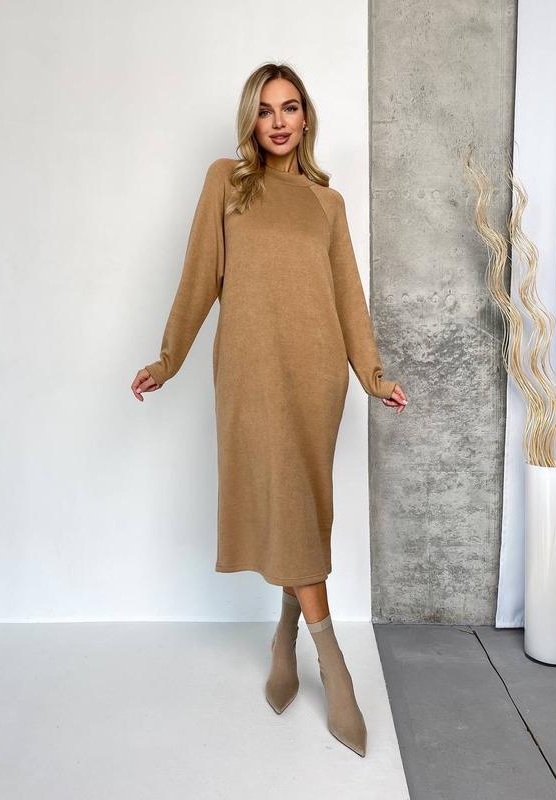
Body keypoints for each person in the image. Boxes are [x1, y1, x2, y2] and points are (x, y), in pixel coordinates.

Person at [131, 62, 408, 758]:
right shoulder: (226, 181)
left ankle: (286, 635)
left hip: (316, 376)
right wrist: (167, 359)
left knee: (301, 509)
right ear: (250, 121)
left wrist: (373, 377)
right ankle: (332, 665)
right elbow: (198, 277)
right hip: (251, 376)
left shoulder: (327, 204)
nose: (278, 121)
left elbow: (348, 299)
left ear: (306, 116)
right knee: (288, 503)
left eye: (289, 107)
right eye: (264, 109)